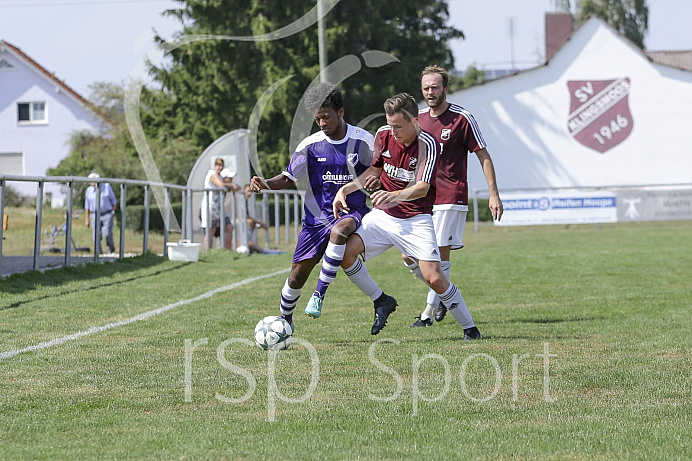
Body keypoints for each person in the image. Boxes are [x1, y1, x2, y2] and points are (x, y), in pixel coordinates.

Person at [318, 92, 482, 340]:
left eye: (398, 126)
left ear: (415, 121)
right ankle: (381, 300)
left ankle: (470, 329)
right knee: (345, 253)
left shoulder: (429, 144)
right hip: (383, 217)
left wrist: (392, 195)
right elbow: (375, 169)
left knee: (435, 278)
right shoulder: (383, 135)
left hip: (416, 219)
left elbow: (422, 188)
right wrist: (346, 189)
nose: (392, 131)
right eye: (390, 124)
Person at [249, 82, 374, 329]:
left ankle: (319, 295)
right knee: (297, 273)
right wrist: (265, 183)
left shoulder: (362, 141)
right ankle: (285, 321)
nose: (322, 124)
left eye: (326, 117)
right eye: (318, 119)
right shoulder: (310, 145)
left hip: (352, 213)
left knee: (342, 231)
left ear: (340, 112)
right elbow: (287, 177)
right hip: (316, 220)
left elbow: (376, 169)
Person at [407, 65, 503, 328]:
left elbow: (483, 155)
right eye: (426, 88)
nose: (430, 92)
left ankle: (427, 314)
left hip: (451, 195)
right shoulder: (417, 119)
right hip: (423, 197)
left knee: (438, 254)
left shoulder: (462, 118)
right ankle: (445, 294)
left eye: (435, 87)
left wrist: (493, 194)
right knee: (408, 255)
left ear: (445, 89)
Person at [200, 158, 238, 249]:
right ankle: (208, 252)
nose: (220, 167)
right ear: (214, 166)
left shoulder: (219, 176)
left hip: (219, 208)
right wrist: (231, 185)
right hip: (211, 207)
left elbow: (233, 187)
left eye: (222, 165)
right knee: (211, 230)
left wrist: (231, 186)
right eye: (218, 165)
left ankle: (227, 250)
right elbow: (221, 185)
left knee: (229, 226)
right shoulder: (212, 174)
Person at [242, 185, 285, 255]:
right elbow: (245, 217)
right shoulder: (241, 201)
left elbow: (246, 216)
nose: (250, 194)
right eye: (248, 191)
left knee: (251, 222)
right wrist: (260, 223)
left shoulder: (244, 201)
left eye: (251, 192)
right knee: (250, 223)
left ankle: (262, 250)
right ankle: (263, 251)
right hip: (240, 227)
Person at [84, 172, 118, 255]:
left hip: (107, 214)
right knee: (96, 235)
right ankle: (98, 253)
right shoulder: (88, 190)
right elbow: (87, 206)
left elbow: (114, 202)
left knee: (107, 234)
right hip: (95, 214)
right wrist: (87, 219)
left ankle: (111, 250)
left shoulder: (106, 187)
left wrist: (112, 212)